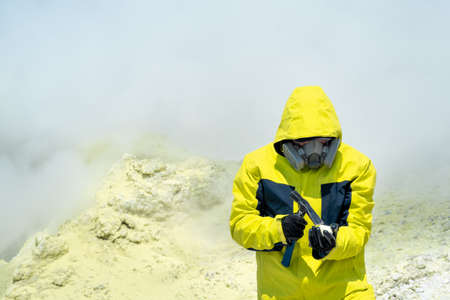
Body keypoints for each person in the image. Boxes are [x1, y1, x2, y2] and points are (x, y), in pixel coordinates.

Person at [229, 86, 376, 300]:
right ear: (288, 138)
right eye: (304, 141)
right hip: (282, 293)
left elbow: (359, 231)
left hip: (345, 293)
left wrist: (335, 241)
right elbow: (240, 226)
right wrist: (279, 230)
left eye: (323, 141)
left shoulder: (357, 166)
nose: (314, 150)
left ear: (333, 137)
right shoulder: (257, 166)